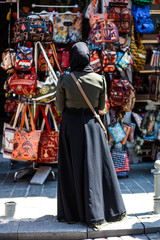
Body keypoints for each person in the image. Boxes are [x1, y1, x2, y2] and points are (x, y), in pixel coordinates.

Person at [55, 41, 126, 230]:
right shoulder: (100, 79)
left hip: (71, 126)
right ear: (88, 57)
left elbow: (60, 108)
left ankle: (73, 212)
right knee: (94, 167)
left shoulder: (65, 79)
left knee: (72, 167)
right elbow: (102, 109)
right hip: (92, 126)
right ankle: (98, 212)